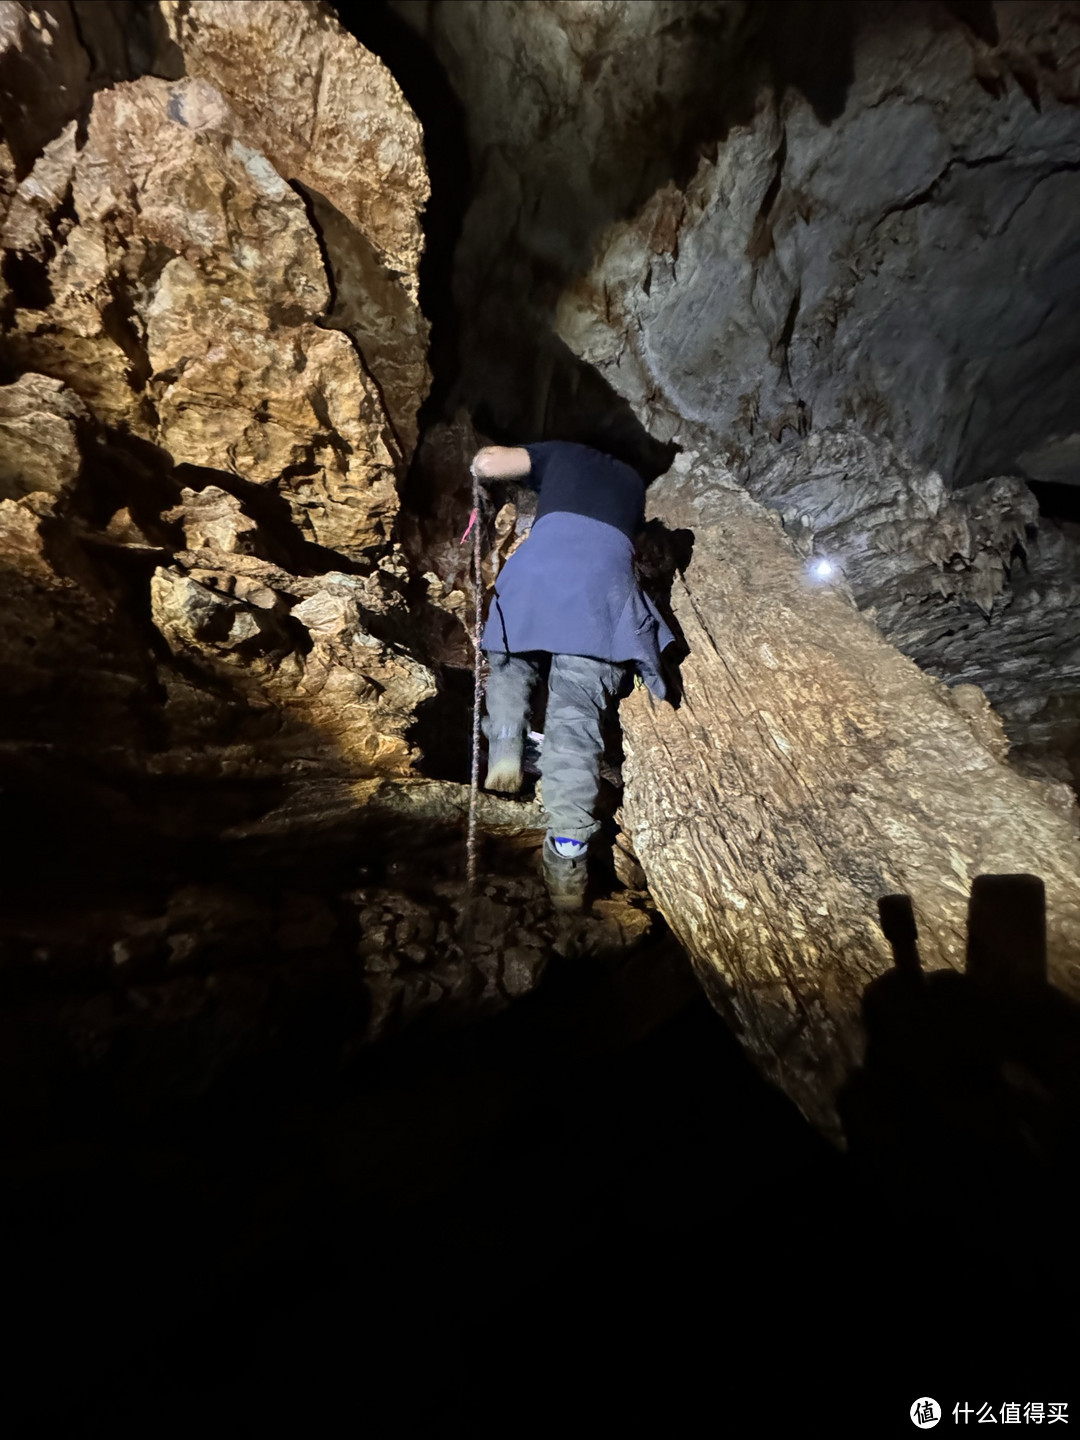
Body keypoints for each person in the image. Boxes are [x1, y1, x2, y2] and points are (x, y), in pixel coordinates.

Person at [471, 439, 676, 912]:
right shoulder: (633, 484)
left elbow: (490, 462)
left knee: (508, 657)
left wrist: (484, 463)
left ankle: (504, 745)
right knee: (575, 719)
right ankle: (567, 859)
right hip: (604, 589)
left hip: (541, 572)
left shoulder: (561, 453)